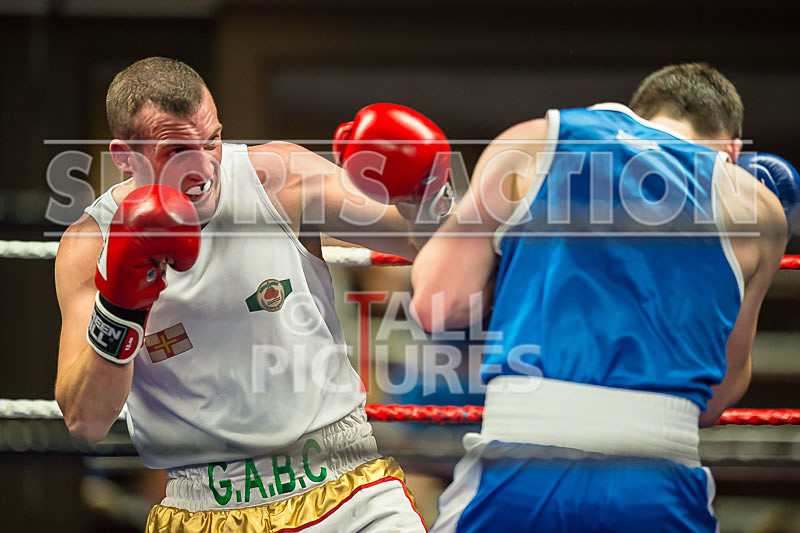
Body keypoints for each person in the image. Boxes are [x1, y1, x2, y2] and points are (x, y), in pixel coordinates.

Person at [54, 56, 450, 532]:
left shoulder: (277, 179)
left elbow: (428, 243)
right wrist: (120, 307)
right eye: (176, 150)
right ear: (124, 156)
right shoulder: (91, 245)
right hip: (204, 508)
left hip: (348, 487)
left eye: (212, 140)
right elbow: (86, 420)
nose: (202, 167)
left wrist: (427, 191)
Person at [410, 63, 796, 532]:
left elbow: (438, 305)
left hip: (522, 459)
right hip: (660, 475)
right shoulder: (757, 207)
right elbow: (718, 398)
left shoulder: (537, 138)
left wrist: (500, 266)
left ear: (642, 112)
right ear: (732, 150)